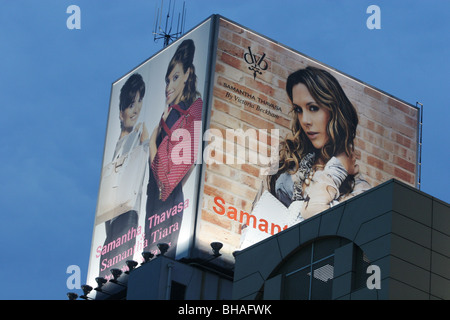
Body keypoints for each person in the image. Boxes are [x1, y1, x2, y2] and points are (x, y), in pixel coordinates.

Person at [253, 66, 371, 225]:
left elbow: (321, 227)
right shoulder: (287, 159)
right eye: (299, 110)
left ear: (334, 111)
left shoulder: (358, 188)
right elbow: (254, 216)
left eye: (313, 108)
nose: (305, 120)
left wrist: (337, 170)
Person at [144, 39, 203, 257]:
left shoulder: (180, 115)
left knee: (156, 267)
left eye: (175, 78)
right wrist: (173, 189)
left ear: (188, 74)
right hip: (165, 202)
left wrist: (154, 137)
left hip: (163, 206)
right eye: (167, 80)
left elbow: (157, 163)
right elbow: (191, 163)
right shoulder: (178, 113)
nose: (169, 87)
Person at [98, 73, 149, 278]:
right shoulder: (122, 145)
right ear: (121, 113)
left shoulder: (133, 136)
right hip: (118, 217)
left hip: (124, 215)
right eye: (130, 104)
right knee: (112, 274)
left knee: (113, 274)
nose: (136, 108)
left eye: (139, 101)